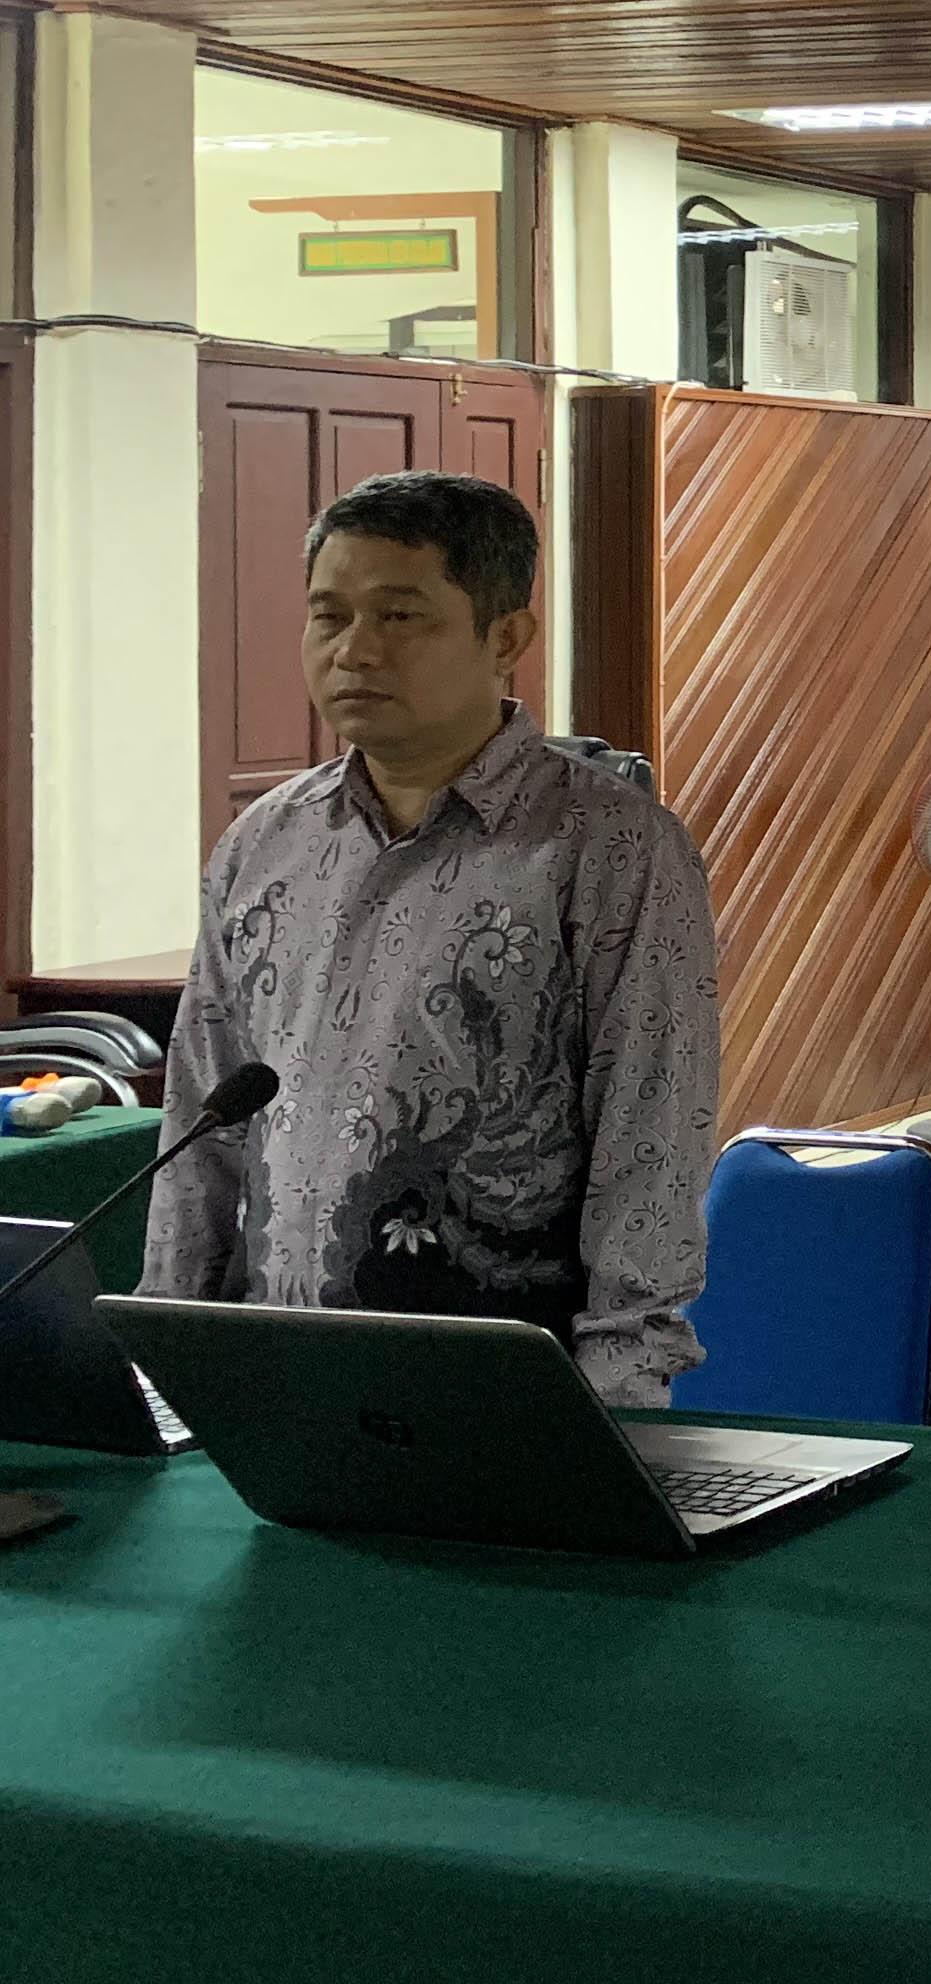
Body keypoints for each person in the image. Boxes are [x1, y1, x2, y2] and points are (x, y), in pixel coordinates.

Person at [139, 471, 718, 1404]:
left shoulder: (608, 848)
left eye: (400, 617)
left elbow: (651, 1134)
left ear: (506, 638)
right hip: (275, 1376)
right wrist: (169, 1350)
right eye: (328, 617)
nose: (355, 650)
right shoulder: (266, 841)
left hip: (500, 1387)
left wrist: (621, 1393)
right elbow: (204, 1115)